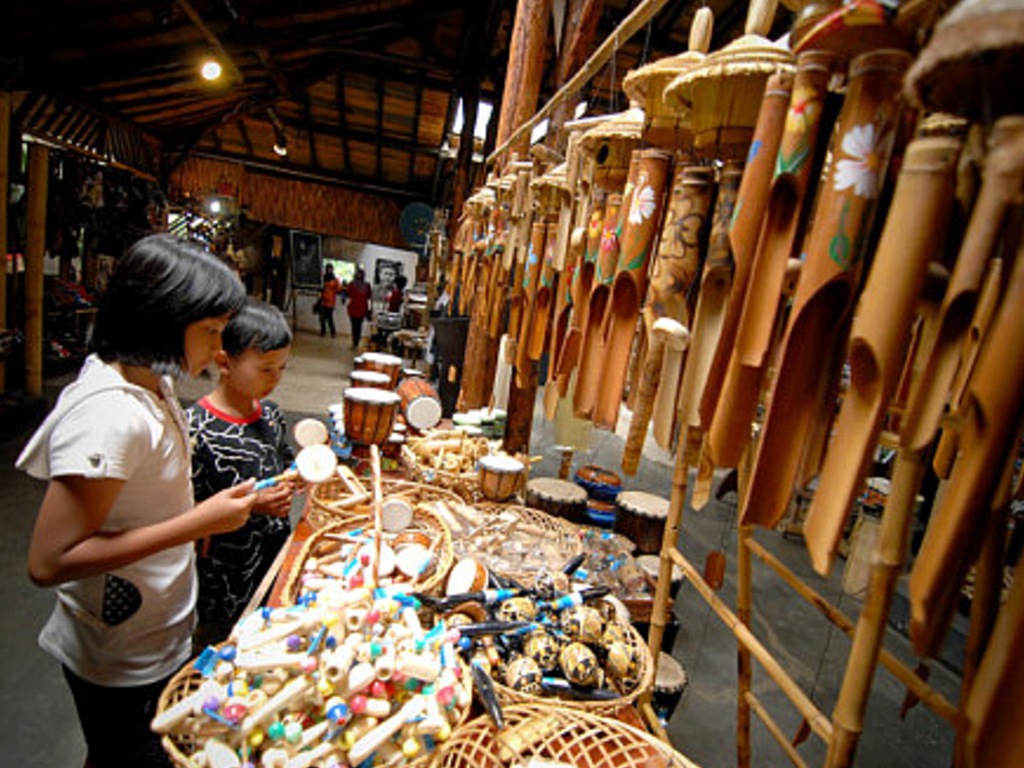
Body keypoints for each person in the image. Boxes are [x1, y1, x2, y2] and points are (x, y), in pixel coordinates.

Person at [17, 233, 257, 768]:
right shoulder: (110, 415)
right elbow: (47, 561)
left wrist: (196, 518)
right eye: (211, 331)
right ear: (163, 320)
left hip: (154, 629)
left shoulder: (151, 380)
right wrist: (193, 523)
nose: (220, 351)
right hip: (120, 654)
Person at [186, 299, 296, 651]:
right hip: (222, 580)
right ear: (224, 363)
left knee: (265, 637)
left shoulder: (272, 415)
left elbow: (283, 464)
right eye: (265, 369)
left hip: (272, 559)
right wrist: (254, 505)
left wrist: (297, 475)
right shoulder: (196, 430)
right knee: (219, 651)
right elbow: (183, 513)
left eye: (282, 368)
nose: (275, 379)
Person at [344, 266, 372, 350]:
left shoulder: (352, 284)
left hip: (354, 308)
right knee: (358, 326)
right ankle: (356, 342)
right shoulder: (367, 285)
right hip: (361, 308)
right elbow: (369, 297)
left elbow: (349, 294)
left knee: (354, 327)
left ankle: (355, 343)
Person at [318, 263, 344, 338]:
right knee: (322, 318)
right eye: (328, 268)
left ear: (332, 270)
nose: (329, 270)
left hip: (330, 302)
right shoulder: (323, 278)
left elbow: (339, 288)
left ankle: (333, 333)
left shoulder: (335, 279)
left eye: (330, 269)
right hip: (323, 300)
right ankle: (323, 331)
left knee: (330, 318)